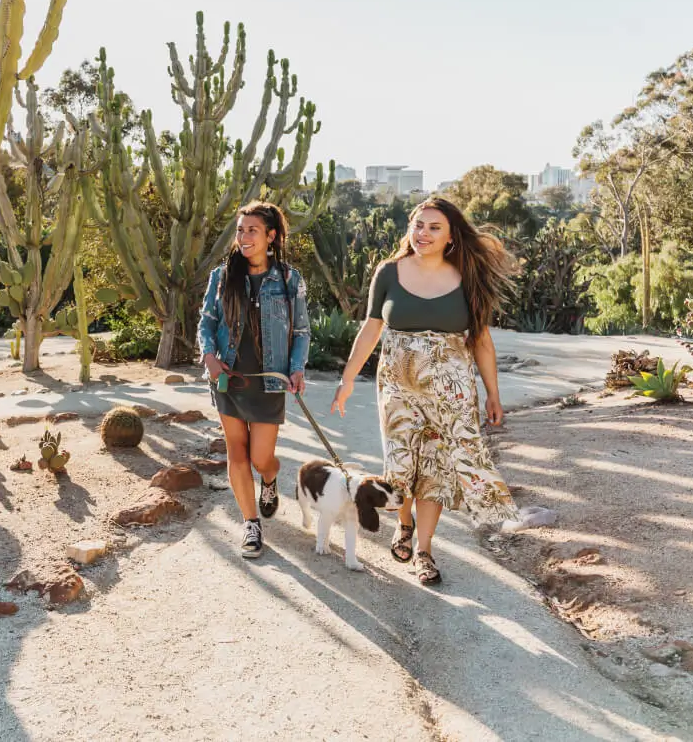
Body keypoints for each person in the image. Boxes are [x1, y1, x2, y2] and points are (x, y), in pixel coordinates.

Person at [331, 198, 519, 585]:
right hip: (398, 387)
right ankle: (404, 524)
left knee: (436, 467)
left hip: (452, 391)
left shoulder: (467, 277)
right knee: (401, 466)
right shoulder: (389, 272)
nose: (423, 234)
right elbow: (370, 330)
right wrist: (347, 379)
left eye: (434, 227)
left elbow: (481, 341)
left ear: (451, 236)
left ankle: (425, 551)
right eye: (418, 225)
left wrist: (493, 394)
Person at [198, 201, 311, 560]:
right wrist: (210, 357)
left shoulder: (290, 279)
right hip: (229, 377)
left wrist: (296, 368)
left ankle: (270, 479)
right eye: (240, 230)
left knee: (262, 458)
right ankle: (250, 524)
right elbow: (207, 323)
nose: (244, 237)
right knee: (237, 452)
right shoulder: (222, 276)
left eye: (252, 230)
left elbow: (302, 331)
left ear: (271, 236)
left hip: (270, 380)